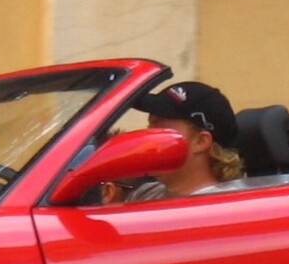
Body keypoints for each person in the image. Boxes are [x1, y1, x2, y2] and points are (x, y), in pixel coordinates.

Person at [97, 80, 249, 202]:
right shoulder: (145, 194)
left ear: (200, 142)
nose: (147, 134)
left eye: (159, 126)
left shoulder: (226, 205)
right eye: (150, 124)